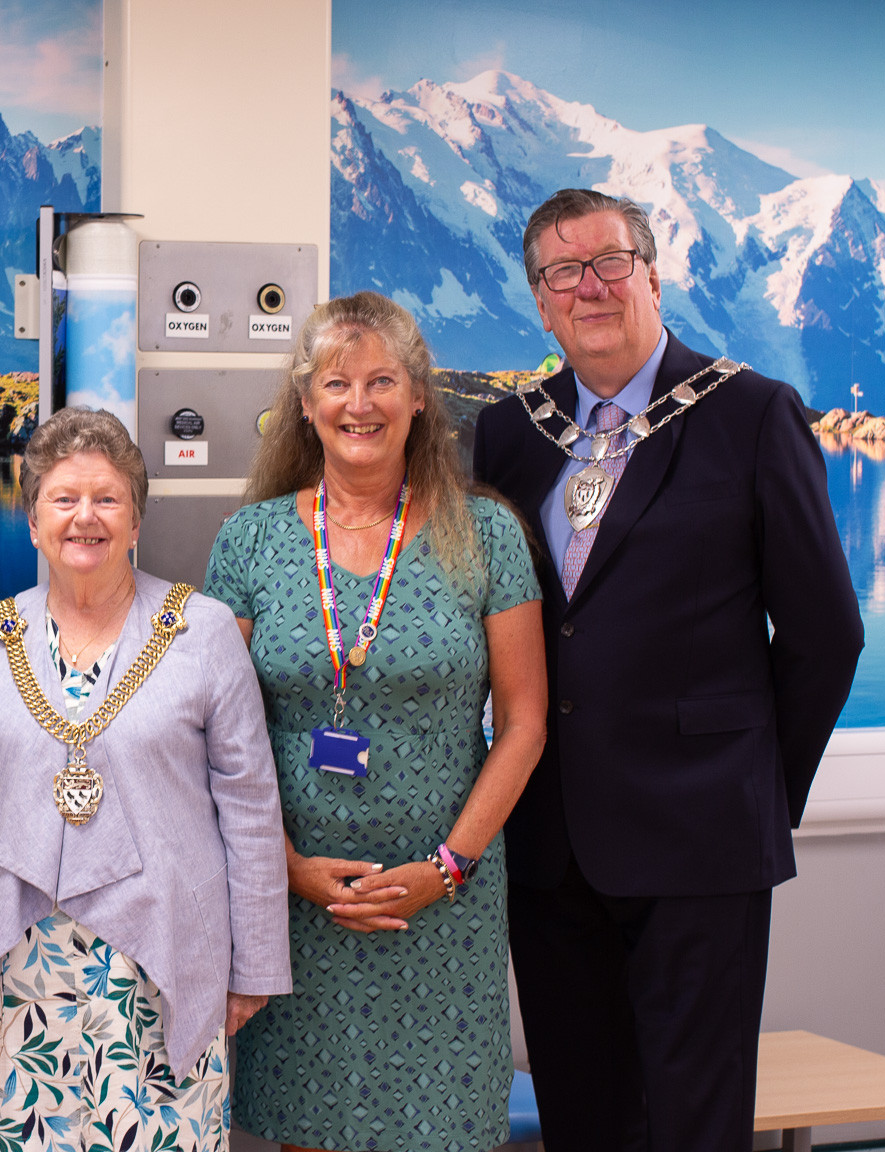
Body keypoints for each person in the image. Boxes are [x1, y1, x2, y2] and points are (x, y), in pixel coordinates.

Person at [471, 189, 863, 1152]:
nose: (590, 286)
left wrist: (759, 790)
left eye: (610, 262)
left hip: (702, 838)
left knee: (694, 1121)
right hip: (551, 840)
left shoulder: (754, 413)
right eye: (564, 272)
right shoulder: (510, 434)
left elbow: (826, 635)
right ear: (540, 301)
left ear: (652, 272)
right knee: (583, 1115)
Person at [205, 291, 549, 1152]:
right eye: (337, 383)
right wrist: (282, 866)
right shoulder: (249, 542)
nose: (359, 404)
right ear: (307, 402)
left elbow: (525, 722)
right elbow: (209, 731)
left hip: (443, 906)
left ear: (419, 396)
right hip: (295, 907)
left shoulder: (488, 536)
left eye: (382, 381)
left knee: (437, 1134)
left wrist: (449, 866)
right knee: (310, 1132)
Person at [0, 406, 292, 1152]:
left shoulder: (204, 631)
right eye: (63, 499)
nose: (84, 518)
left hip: (167, 965)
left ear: (135, 521)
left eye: (107, 499)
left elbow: (251, 809)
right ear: (33, 522)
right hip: (24, 966)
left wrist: (253, 963)